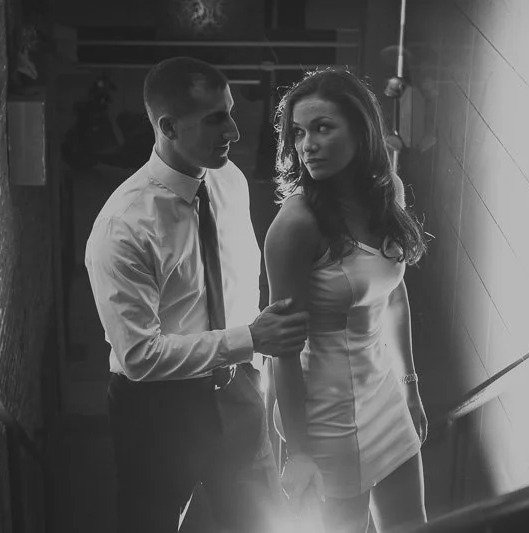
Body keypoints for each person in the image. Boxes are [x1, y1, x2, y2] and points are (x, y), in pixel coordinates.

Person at [84, 56, 309, 533]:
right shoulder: (123, 228)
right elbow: (140, 357)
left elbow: (241, 285)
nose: (234, 129)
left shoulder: (231, 181)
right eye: (214, 118)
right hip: (157, 411)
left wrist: (255, 374)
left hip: (238, 393)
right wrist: (250, 338)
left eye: (229, 112)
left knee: (266, 523)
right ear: (167, 126)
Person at [265, 68, 429, 533]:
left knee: (412, 526)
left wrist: (411, 386)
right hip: (326, 415)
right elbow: (284, 349)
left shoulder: (387, 193)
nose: (306, 145)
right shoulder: (296, 225)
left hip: (385, 395)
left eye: (322, 127)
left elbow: (394, 298)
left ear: (361, 131)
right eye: (298, 132)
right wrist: (297, 450)